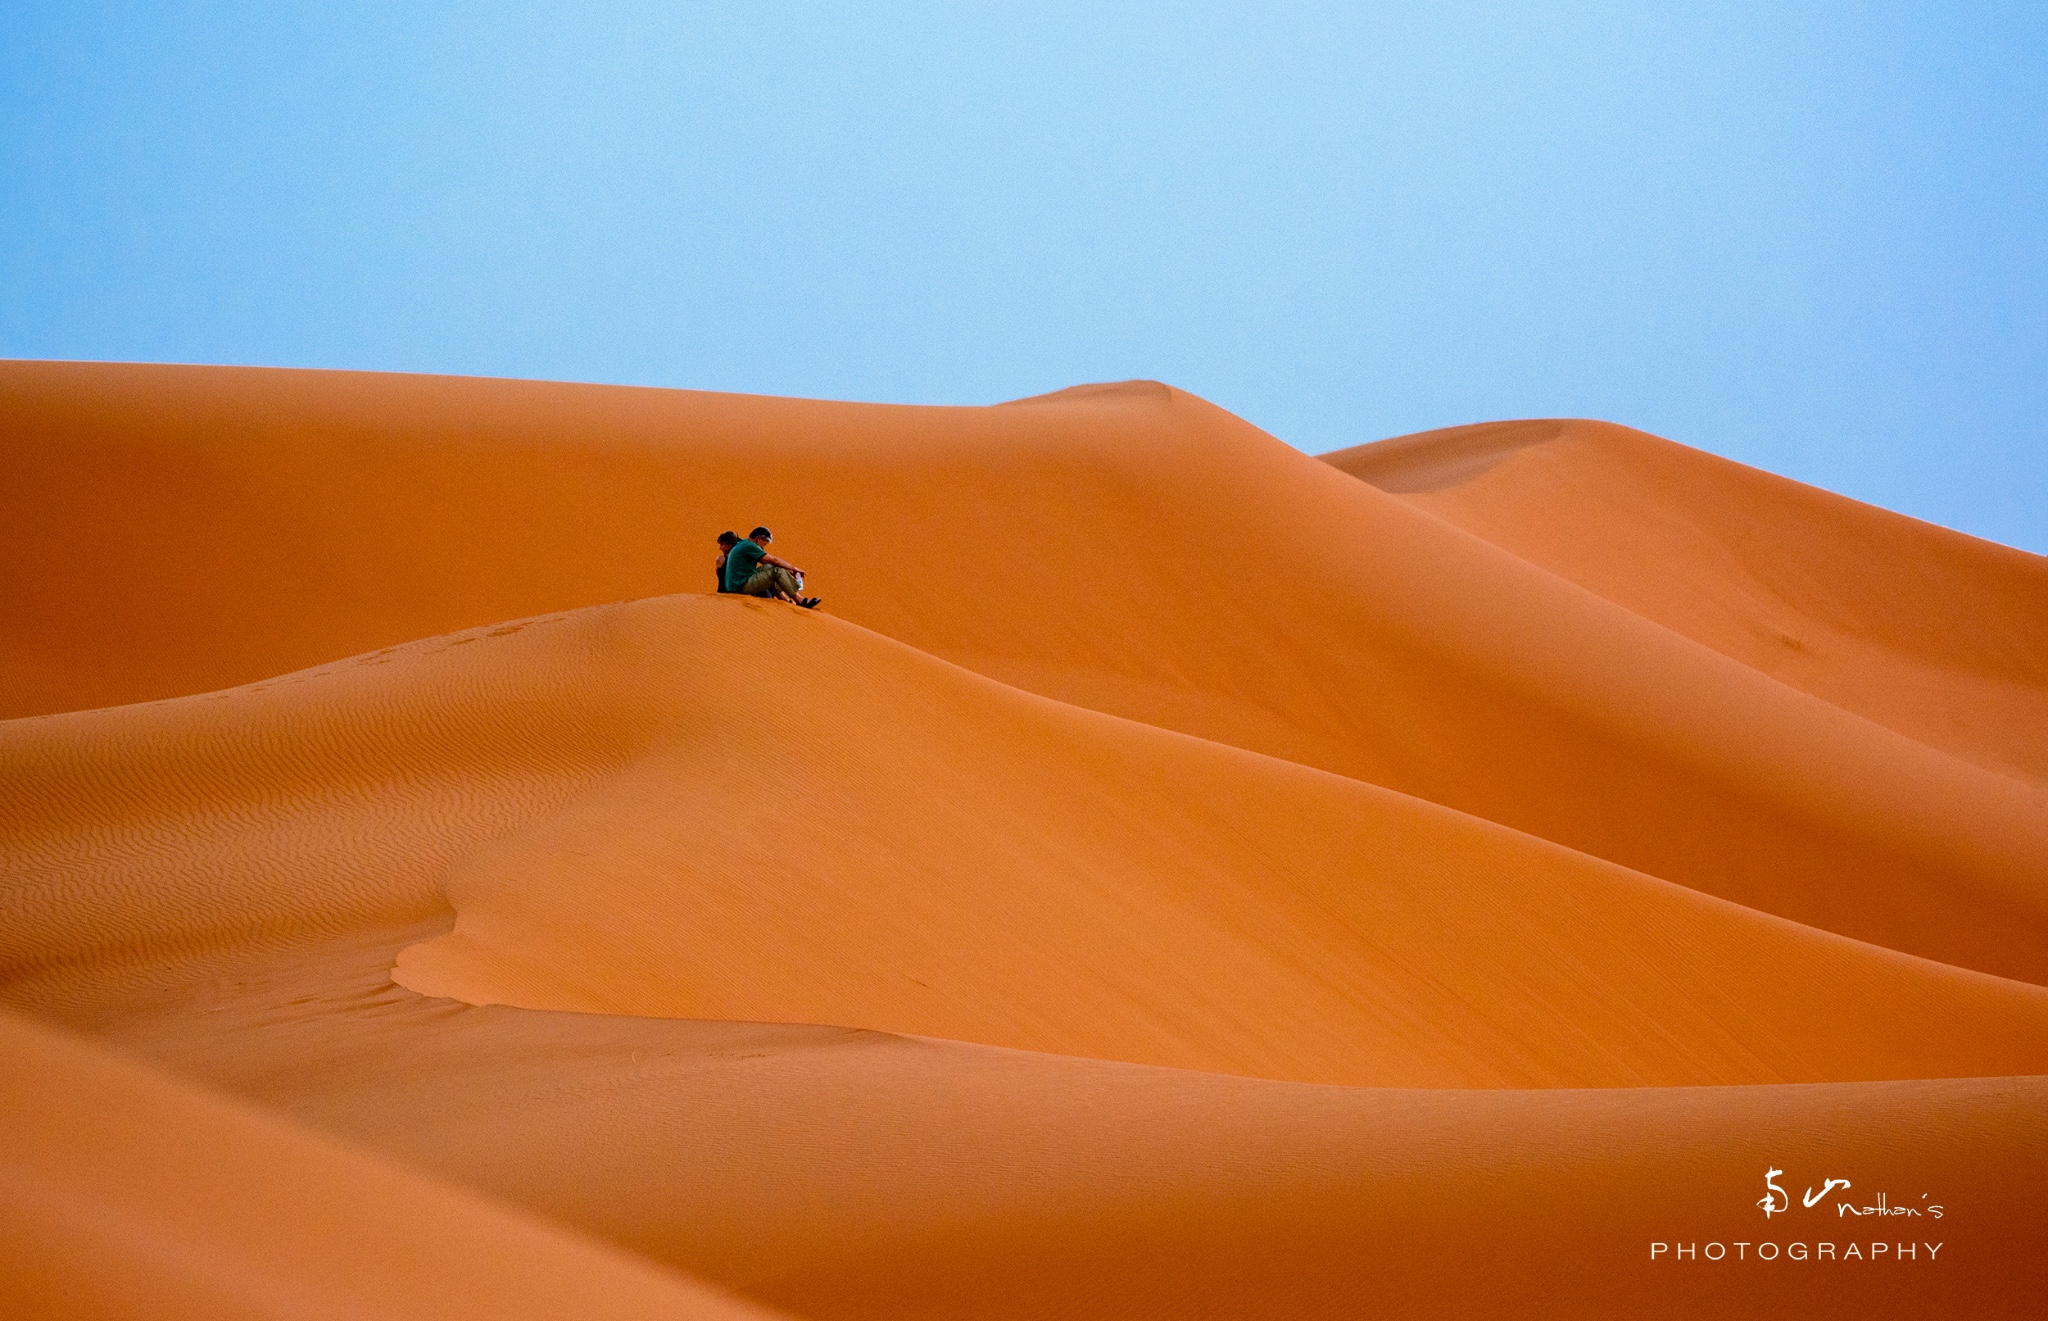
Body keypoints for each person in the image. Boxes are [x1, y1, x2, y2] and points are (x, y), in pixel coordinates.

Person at [723, 526, 821, 607]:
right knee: (776, 571)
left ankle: (786, 599)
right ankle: (800, 599)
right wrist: (793, 568)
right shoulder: (750, 546)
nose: (763, 547)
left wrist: (788, 571)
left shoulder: (744, 543)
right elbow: (774, 560)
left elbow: (766, 562)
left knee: (769, 568)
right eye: (764, 543)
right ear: (759, 539)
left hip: (735, 584)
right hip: (740, 586)